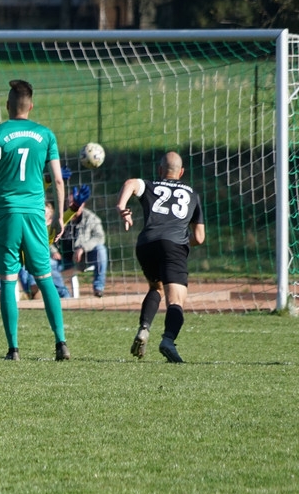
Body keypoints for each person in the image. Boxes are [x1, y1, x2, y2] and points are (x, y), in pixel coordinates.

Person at [0, 79, 69, 361]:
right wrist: (59, 216)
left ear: (7, 105)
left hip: (6, 213)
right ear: (31, 106)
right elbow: (58, 180)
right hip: (35, 215)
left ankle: (13, 349)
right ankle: (61, 342)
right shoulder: (46, 135)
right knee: (45, 277)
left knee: (8, 279)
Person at [115, 150, 205, 363]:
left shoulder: (150, 185)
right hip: (173, 246)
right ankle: (168, 341)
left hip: (146, 244)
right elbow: (199, 237)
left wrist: (121, 207)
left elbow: (130, 183)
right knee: (176, 300)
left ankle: (144, 329)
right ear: (181, 172)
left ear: (160, 170)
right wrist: (181, 243)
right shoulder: (192, 194)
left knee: (156, 287)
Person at [59, 186, 108, 297]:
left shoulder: (91, 218)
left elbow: (100, 237)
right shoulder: (60, 218)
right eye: (70, 202)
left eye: (76, 202)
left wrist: (82, 248)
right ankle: (64, 296)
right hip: (61, 259)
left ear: (83, 203)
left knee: (101, 250)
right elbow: (48, 236)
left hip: (83, 258)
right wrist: (53, 252)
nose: (73, 204)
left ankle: (98, 287)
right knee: (48, 264)